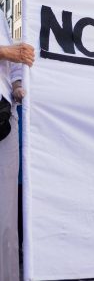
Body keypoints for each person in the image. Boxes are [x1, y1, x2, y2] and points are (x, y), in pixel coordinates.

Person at [0, 14, 35, 281]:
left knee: (6, 219)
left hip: (4, 118)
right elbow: (7, 51)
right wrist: (4, 51)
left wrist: (19, 84)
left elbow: (11, 65)